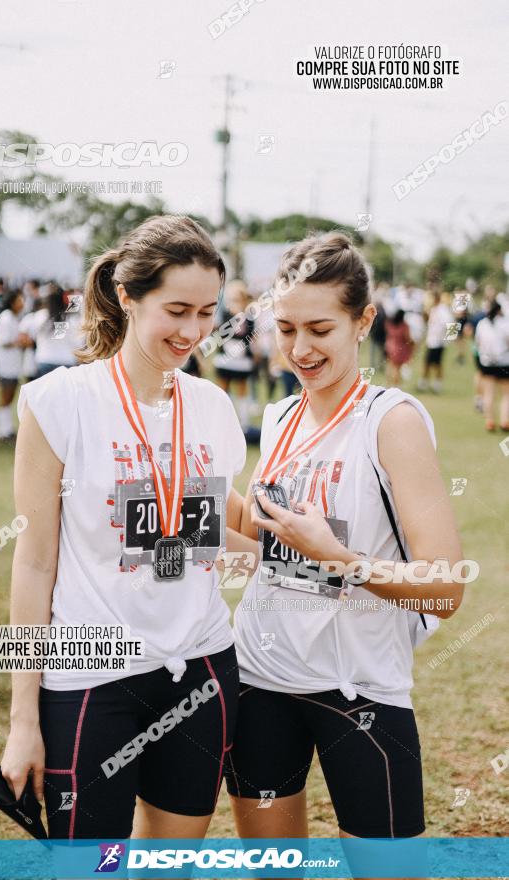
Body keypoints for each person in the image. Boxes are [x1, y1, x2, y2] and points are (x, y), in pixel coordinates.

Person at [0, 215, 251, 842]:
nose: (193, 331)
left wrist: (342, 565)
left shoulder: (213, 407)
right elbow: (33, 562)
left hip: (200, 665)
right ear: (126, 295)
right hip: (90, 674)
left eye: (207, 311)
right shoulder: (58, 402)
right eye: (176, 310)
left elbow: (212, 531)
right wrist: (22, 719)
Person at [225, 231, 464, 849]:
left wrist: (338, 558)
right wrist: (179, 486)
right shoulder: (279, 416)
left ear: (363, 321)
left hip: (360, 686)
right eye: (285, 328)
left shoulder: (393, 421)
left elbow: (444, 589)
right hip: (261, 677)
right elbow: (263, 546)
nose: (300, 348)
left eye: (320, 329)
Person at [213, 280, 257, 433]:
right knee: (222, 391)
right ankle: (220, 422)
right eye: (233, 298)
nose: (235, 302)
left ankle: (244, 424)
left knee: (242, 391)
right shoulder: (224, 314)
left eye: (239, 298)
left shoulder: (249, 317)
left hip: (242, 362)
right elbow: (222, 334)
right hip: (225, 361)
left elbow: (249, 336)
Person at [18, 283, 84, 378]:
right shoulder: (71, 319)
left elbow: (24, 331)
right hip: (66, 361)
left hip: (45, 360)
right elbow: (78, 343)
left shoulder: (40, 316)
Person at [0, 289, 27, 442]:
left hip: (13, 365)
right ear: (12, 302)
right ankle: (3, 431)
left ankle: (7, 429)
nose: (22, 304)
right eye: (19, 301)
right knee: (6, 397)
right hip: (6, 365)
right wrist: (20, 341)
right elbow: (3, 341)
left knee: (10, 397)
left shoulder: (13, 318)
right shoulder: (6, 318)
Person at [474, 298, 509, 431]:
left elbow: (478, 343)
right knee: (506, 394)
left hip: (487, 362)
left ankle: (489, 421)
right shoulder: (505, 324)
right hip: (504, 362)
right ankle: (505, 420)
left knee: (489, 393)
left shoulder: (482, 324)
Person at [417, 291, 453, 393]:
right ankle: (424, 383)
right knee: (427, 363)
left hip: (438, 342)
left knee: (436, 364)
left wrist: (446, 339)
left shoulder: (443, 310)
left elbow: (450, 324)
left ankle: (436, 384)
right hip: (431, 341)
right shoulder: (433, 309)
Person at [384, 309, 414, 386]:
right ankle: (396, 385)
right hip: (399, 349)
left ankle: (387, 383)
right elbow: (408, 338)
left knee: (390, 366)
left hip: (389, 347)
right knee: (397, 368)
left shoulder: (390, 324)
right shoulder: (404, 326)